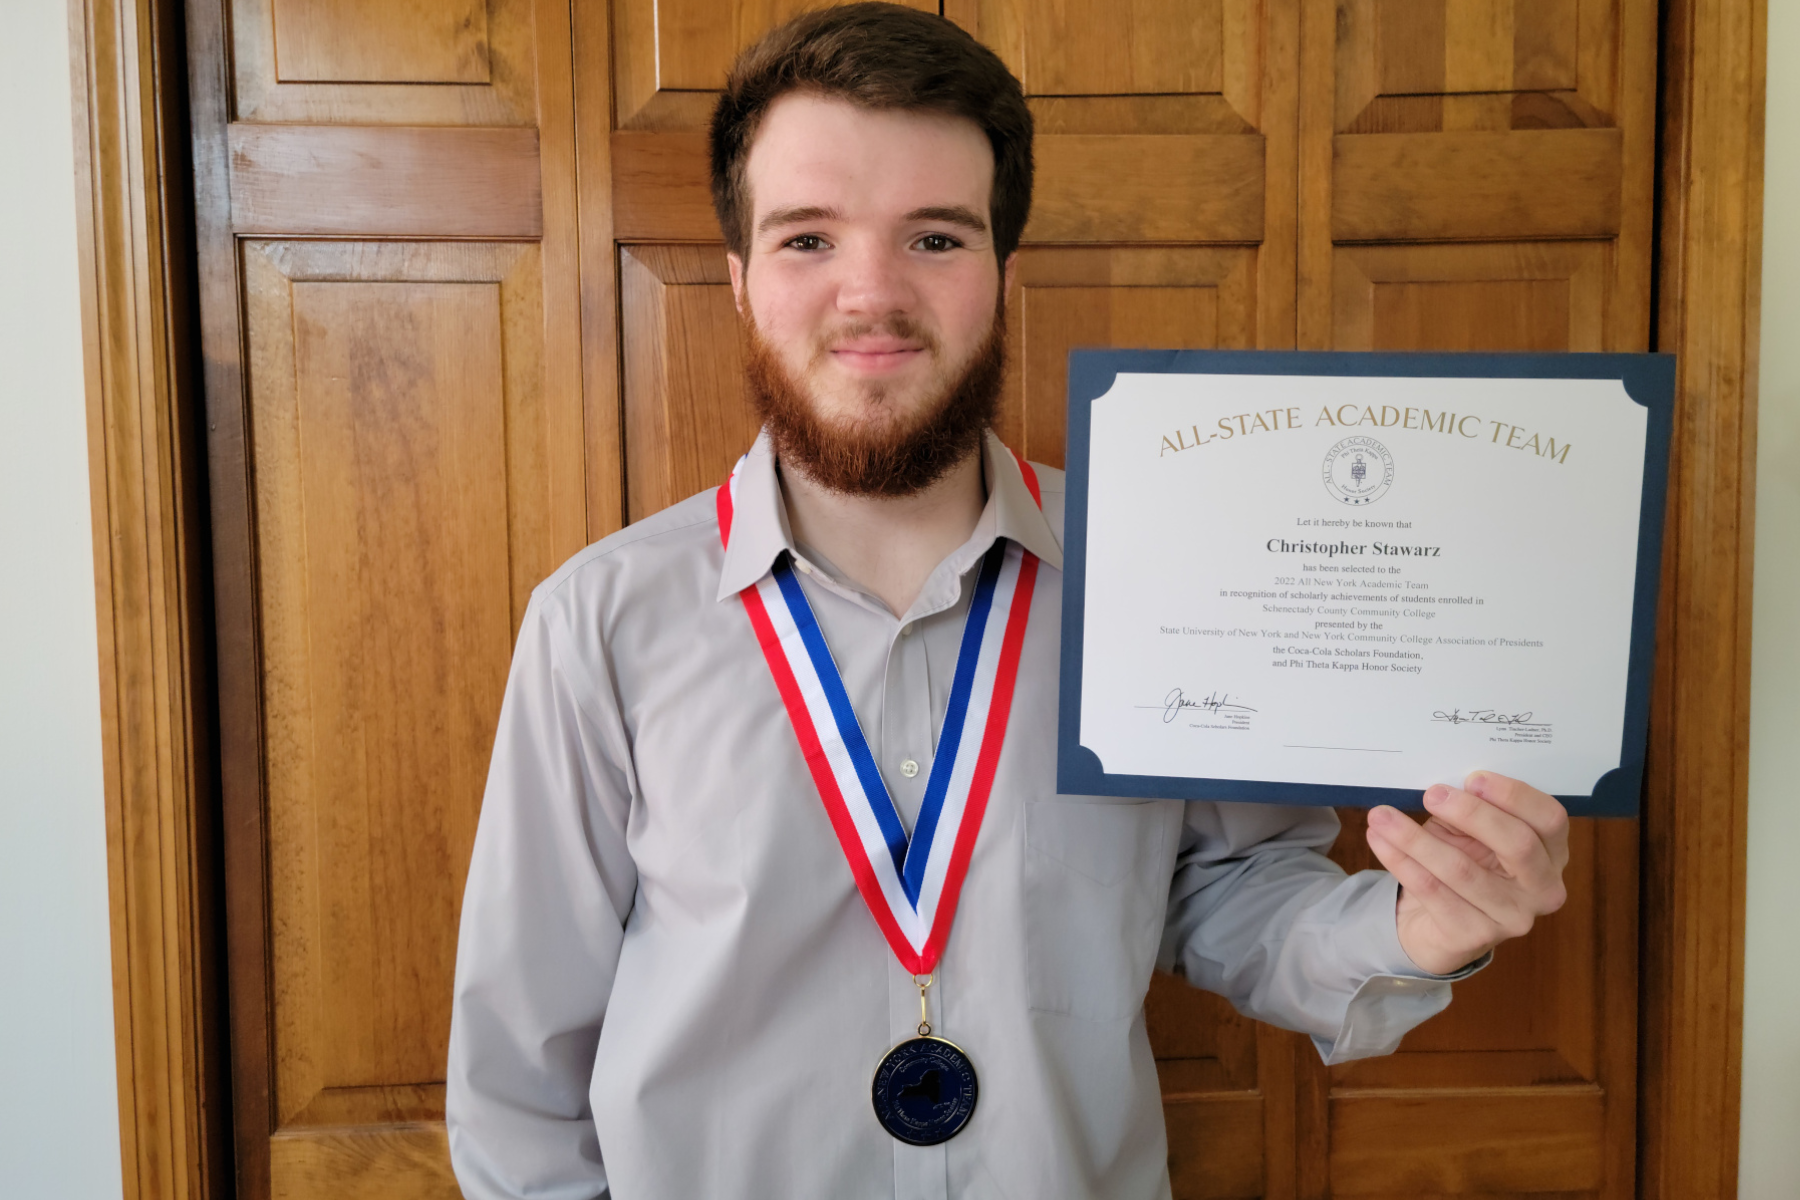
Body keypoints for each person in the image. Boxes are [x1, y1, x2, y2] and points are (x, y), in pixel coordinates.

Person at [446, 6, 1572, 1197]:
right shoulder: (600, 624)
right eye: (808, 240)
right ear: (737, 281)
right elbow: (521, 1075)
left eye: (933, 238)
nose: (870, 296)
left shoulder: (1167, 573)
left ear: (1003, 271)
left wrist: (1421, 931)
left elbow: (1237, 896)